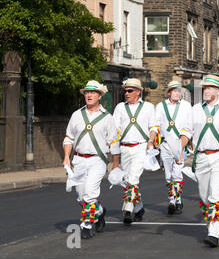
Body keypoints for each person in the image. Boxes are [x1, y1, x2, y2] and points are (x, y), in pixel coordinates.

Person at [179, 74, 219, 248]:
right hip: (200, 157)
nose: (205, 91)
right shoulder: (196, 109)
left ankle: (214, 233)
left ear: (218, 91)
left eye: (208, 88)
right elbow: (186, 132)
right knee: (205, 196)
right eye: (204, 88)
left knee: (216, 194)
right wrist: (180, 149)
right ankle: (212, 224)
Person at [63, 80, 120, 239]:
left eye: (93, 92)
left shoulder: (107, 117)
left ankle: (86, 224)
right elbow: (69, 138)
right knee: (81, 197)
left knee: (89, 193)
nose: (89, 95)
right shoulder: (76, 115)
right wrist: (67, 157)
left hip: (98, 160)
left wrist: (115, 163)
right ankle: (100, 212)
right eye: (87, 92)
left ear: (99, 95)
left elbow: (113, 141)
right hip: (79, 160)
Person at [112, 78, 156, 225]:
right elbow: (114, 130)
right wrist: (115, 154)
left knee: (133, 179)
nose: (127, 93)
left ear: (138, 92)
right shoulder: (120, 108)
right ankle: (139, 206)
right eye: (125, 90)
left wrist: (150, 141)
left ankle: (128, 209)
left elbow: (154, 127)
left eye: (130, 90)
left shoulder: (148, 107)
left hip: (140, 147)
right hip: (124, 147)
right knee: (126, 180)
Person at [154, 81, 192, 215]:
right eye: (174, 91)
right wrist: (155, 141)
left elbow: (189, 125)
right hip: (165, 145)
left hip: (180, 143)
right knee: (168, 174)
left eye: (179, 91)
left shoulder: (186, 106)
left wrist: (183, 144)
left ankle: (174, 200)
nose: (177, 93)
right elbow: (156, 124)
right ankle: (176, 199)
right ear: (169, 92)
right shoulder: (160, 106)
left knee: (177, 173)